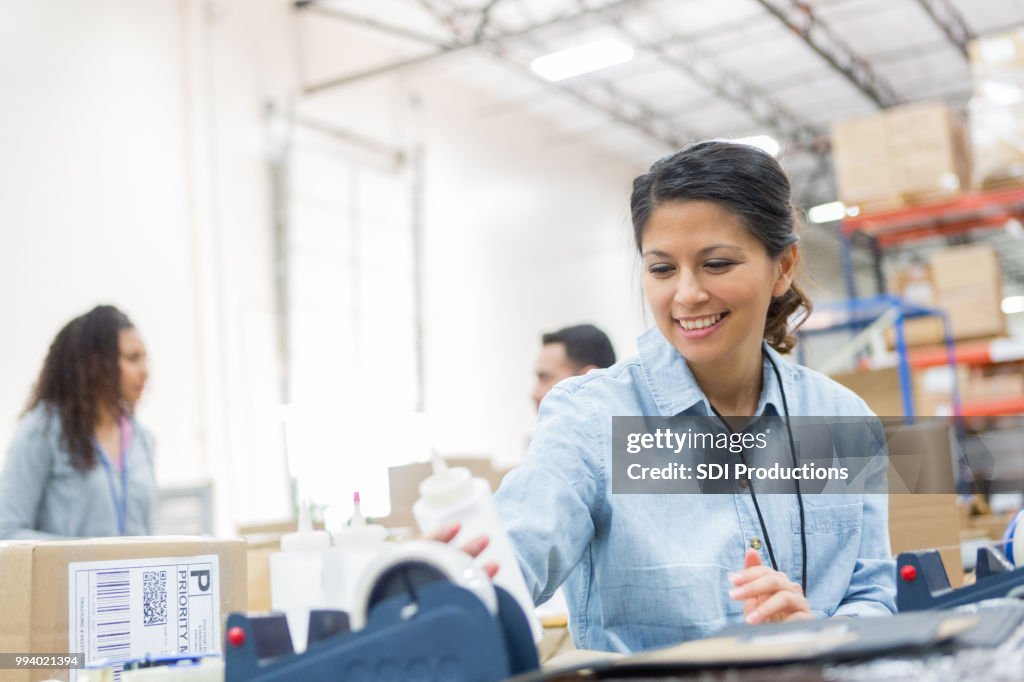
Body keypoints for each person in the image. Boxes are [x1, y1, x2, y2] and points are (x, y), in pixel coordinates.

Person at [491, 141, 896, 653]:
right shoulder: (592, 420)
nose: (686, 295)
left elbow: (873, 597)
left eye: (717, 264)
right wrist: (453, 575)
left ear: (784, 266)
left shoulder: (842, 421)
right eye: (661, 269)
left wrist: (821, 632)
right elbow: (512, 556)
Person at [0, 305, 156, 539]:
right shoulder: (42, 430)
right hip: (63, 576)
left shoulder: (142, 440)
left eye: (145, 359)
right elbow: (7, 531)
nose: (145, 372)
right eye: (132, 358)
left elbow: (147, 535)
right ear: (95, 364)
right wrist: (84, 558)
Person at [532, 324, 616, 411]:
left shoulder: (625, 422)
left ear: (588, 379)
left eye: (546, 378)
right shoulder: (624, 420)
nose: (535, 395)